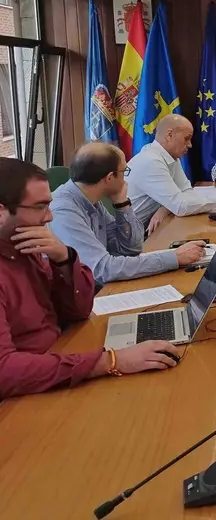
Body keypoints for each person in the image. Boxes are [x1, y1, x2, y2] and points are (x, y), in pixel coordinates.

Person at [0, 158, 180, 399]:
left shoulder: (25, 246)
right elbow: (4, 372)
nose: (49, 217)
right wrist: (110, 361)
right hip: (23, 397)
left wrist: (64, 259)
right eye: (39, 207)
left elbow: (79, 311)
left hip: (57, 361)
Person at [49, 142, 206, 285]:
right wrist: (174, 258)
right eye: (125, 171)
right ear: (110, 178)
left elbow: (130, 250)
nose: (126, 178)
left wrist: (122, 203)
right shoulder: (63, 211)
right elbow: (102, 269)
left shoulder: (91, 200)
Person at [127, 114, 216, 233]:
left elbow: (186, 192)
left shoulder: (170, 156)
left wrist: (165, 208)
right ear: (170, 135)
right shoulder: (151, 161)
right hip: (132, 240)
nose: (190, 145)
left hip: (150, 228)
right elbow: (181, 206)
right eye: (187, 138)